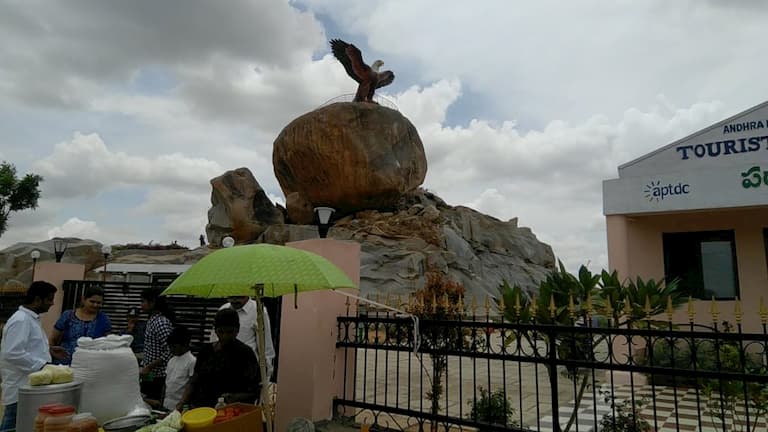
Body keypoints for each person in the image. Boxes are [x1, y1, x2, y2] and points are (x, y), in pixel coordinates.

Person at [0, 281, 65, 432]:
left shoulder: (31, 319)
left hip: (29, 386)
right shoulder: (21, 320)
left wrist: (48, 350)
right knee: (11, 426)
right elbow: (12, 353)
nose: (52, 303)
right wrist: (42, 366)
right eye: (49, 299)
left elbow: (28, 347)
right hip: (20, 387)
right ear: (37, 300)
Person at [181, 309, 260, 408]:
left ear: (238, 330)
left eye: (230, 332)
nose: (225, 336)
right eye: (221, 332)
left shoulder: (245, 354)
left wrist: (235, 397)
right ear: (215, 330)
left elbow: (255, 391)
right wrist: (181, 403)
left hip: (228, 412)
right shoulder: (206, 351)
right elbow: (194, 380)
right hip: (200, 409)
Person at [210, 296, 275, 381]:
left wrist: (266, 376)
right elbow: (214, 339)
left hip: (246, 368)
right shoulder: (223, 309)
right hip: (222, 366)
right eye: (231, 297)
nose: (234, 300)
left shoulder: (258, 310)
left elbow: (266, 346)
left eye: (238, 297)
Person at [49, 286, 112, 364]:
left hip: (91, 364)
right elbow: (53, 338)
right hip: (64, 362)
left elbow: (108, 342)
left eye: (99, 303)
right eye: (92, 302)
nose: (95, 305)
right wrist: (51, 352)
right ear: (83, 299)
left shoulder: (104, 319)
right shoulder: (68, 315)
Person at [139, 288, 174, 401]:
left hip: (159, 376)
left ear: (152, 302)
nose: (141, 305)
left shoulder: (161, 322)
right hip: (150, 374)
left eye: (143, 301)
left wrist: (149, 366)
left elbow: (170, 351)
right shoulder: (152, 320)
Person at [161, 326, 196, 412]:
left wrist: (182, 403)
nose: (171, 349)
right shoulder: (171, 360)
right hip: (166, 404)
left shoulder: (192, 361)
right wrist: (161, 401)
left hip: (180, 406)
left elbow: (191, 384)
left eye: (174, 347)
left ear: (184, 344)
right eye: (170, 347)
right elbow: (166, 383)